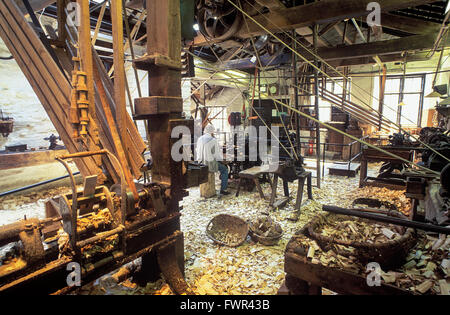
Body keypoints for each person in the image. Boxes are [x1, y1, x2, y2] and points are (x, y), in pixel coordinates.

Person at [196, 124, 230, 195]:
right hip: (209, 163)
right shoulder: (213, 140)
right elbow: (217, 155)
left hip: (200, 163)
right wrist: (223, 161)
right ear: (212, 132)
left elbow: (197, 151)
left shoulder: (200, 139)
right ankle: (223, 189)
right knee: (225, 169)